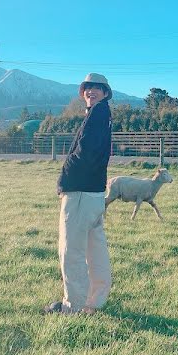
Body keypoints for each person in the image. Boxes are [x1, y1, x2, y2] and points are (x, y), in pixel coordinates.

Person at [43, 72, 113, 315]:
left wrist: (66, 176)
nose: (90, 91)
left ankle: (72, 307)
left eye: (96, 87)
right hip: (95, 193)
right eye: (87, 87)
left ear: (105, 93)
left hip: (81, 192)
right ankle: (95, 301)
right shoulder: (103, 115)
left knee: (71, 250)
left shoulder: (97, 115)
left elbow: (85, 152)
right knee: (96, 249)